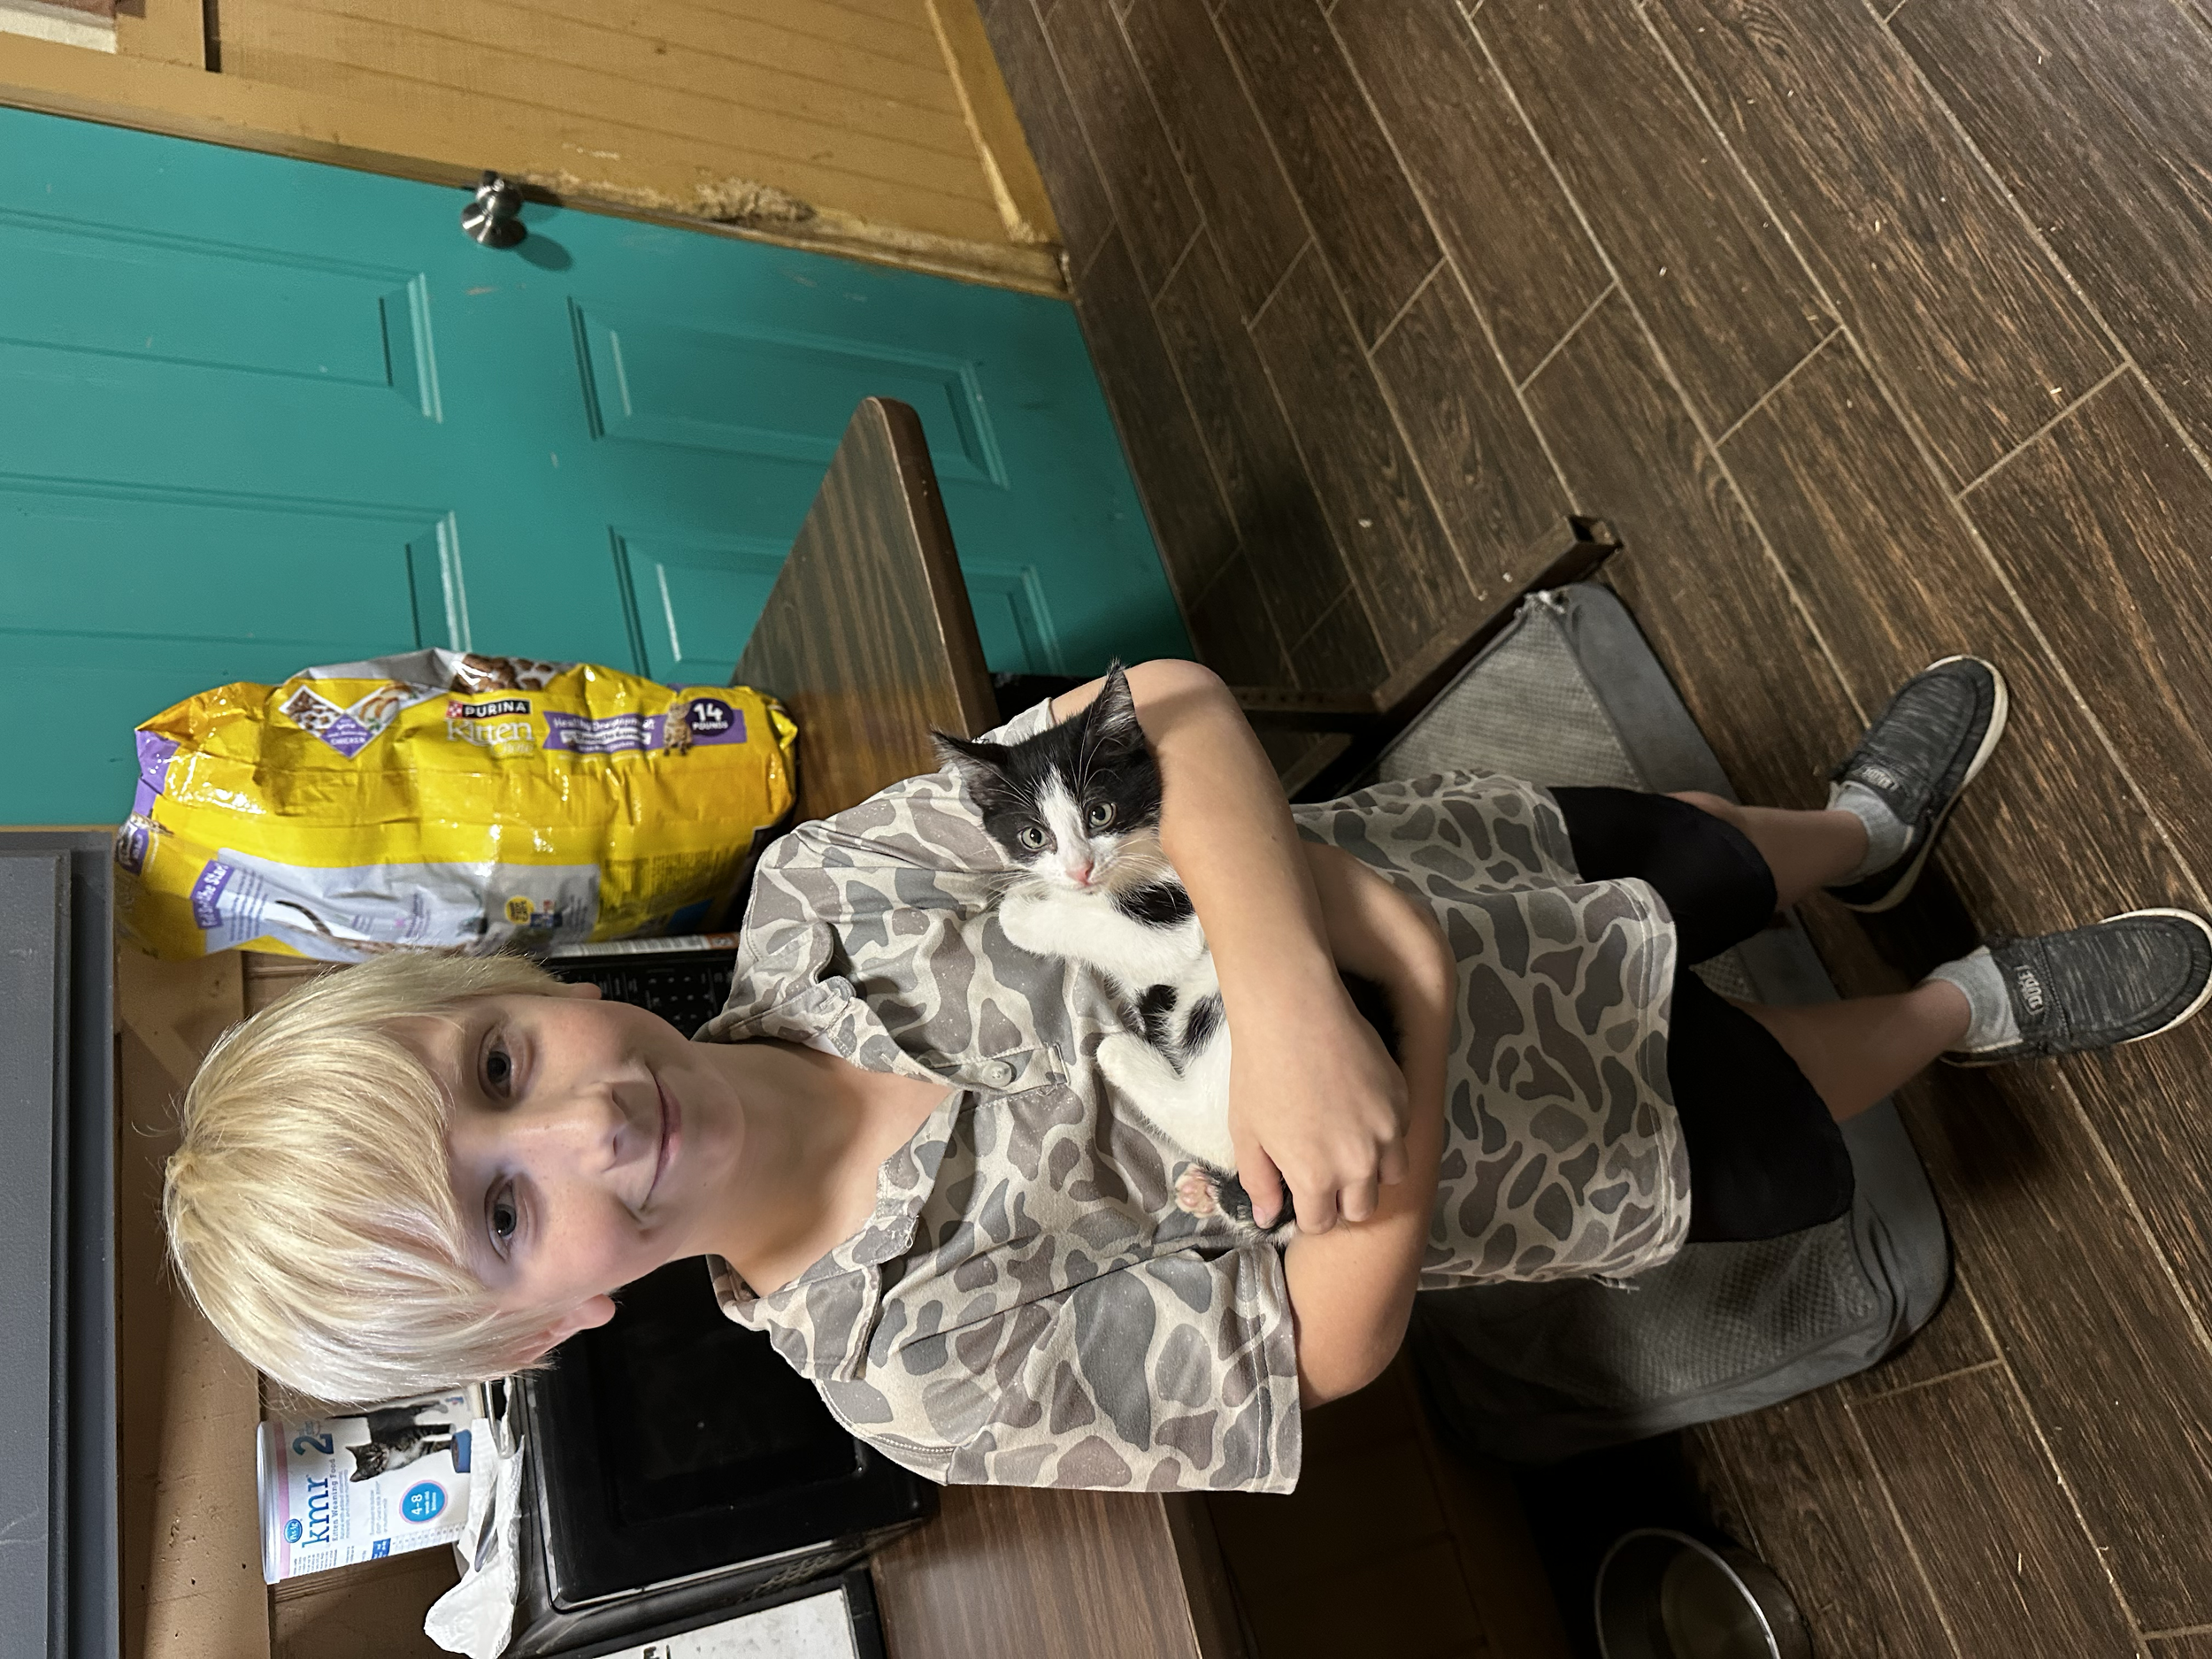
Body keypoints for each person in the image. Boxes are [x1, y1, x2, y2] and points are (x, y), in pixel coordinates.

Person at [165, 657, 2212, 1493]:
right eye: (505, 1199)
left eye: (500, 1064)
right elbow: (1312, 1355)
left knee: (1667, 844)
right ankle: (1970, 1013)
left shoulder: (823, 903)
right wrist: (1381, 1052)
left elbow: (1162, 713)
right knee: (1771, 1078)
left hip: (1472, 885)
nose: (580, 1121)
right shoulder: (920, 1373)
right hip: (1538, 1152)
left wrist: (1313, 967)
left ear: (517, 982)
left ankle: (1859, 840)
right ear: (554, 1321)